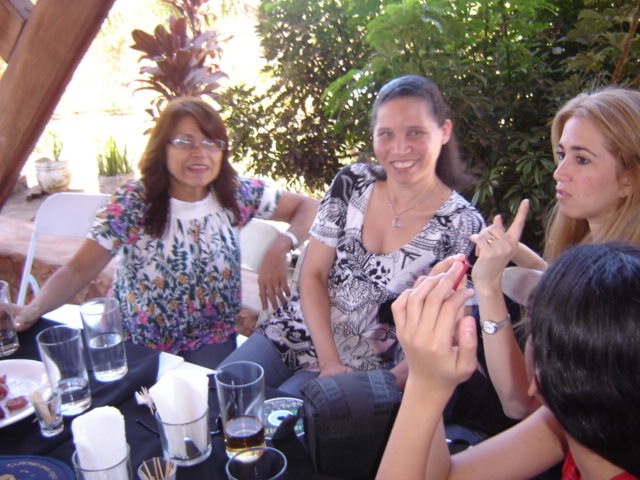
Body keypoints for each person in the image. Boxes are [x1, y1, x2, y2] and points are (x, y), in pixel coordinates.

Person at [220, 74, 485, 394]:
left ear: (443, 131)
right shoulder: (352, 183)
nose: (400, 148)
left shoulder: (463, 226)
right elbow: (313, 274)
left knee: (287, 418)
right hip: (293, 330)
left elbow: (447, 335)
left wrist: (377, 383)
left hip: (367, 369)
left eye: (415, 132)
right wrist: (329, 361)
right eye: (386, 134)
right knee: (222, 392)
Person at [12, 97, 318, 369]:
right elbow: (77, 271)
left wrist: (282, 243)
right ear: (162, 148)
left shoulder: (236, 194)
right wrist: (31, 310)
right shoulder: (135, 201)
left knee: (209, 403)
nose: (200, 153)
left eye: (212, 142)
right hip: (140, 343)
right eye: (185, 141)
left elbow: (311, 206)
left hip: (210, 339)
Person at [377, 243, 640, 480]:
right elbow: (446, 476)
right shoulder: (576, 420)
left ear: (541, 376)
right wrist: (428, 379)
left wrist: (424, 384)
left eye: (531, 328)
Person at [469, 87, 640, 419]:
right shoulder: (598, 254)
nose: (559, 172)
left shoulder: (619, 288)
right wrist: (518, 253)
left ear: (629, 179)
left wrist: (488, 286)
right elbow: (564, 292)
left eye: (582, 159)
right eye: (562, 155)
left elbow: (521, 402)